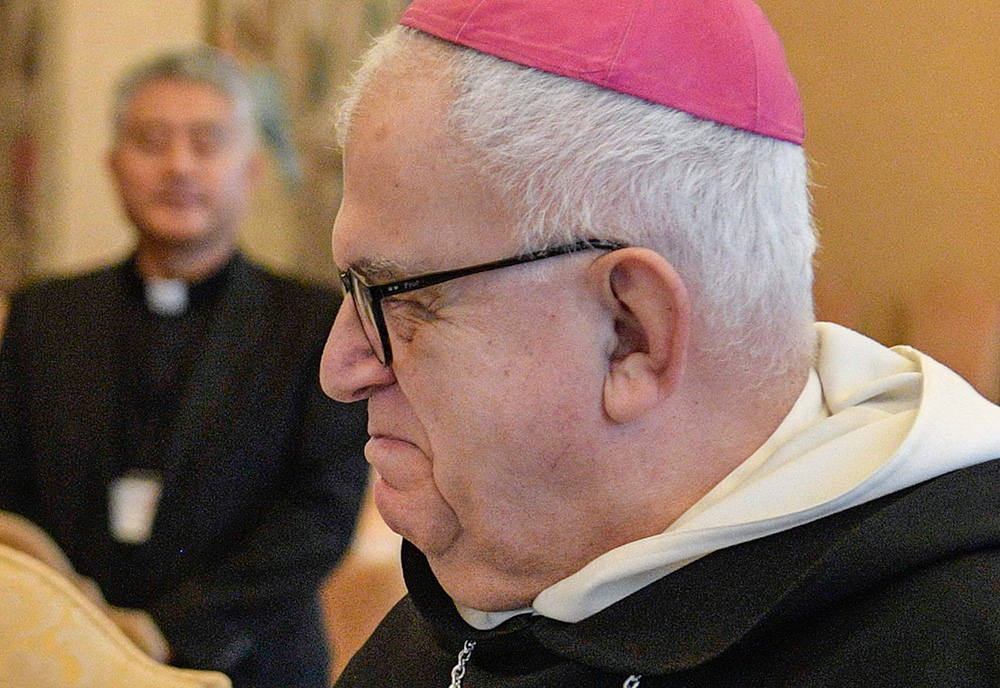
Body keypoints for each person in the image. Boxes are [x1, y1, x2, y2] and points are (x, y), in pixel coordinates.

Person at [318, 1, 1000, 686]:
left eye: (396, 298)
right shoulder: (442, 639)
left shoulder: (952, 643)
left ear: (630, 334)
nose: (339, 368)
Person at [0, 48, 369, 688]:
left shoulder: (312, 321)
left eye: (206, 143)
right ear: (114, 166)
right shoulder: (44, 314)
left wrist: (171, 629)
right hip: (64, 659)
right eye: (150, 142)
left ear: (250, 169)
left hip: (253, 662)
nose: (178, 166)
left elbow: (320, 513)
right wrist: (78, 613)